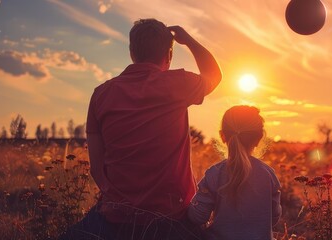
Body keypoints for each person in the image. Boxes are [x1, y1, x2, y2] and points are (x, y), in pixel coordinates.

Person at [60, 18, 221, 239]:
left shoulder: (101, 94)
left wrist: (120, 203)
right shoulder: (177, 83)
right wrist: (190, 41)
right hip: (172, 219)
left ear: (132, 52)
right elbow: (215, 76)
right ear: (169, 55)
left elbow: (97, 169)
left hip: (114, 218)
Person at [188, 106, 282, 240]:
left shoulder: (214, 174)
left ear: (222, 136)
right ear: (259, 137)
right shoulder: (268, 175)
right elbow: (274, 217)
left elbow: (197, 216)